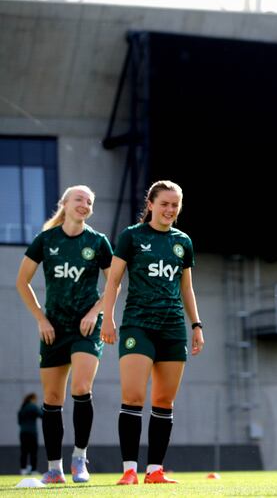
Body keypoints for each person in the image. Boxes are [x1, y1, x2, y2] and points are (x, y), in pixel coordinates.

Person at [100, 180, 204, 485]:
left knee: (164, 401)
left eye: (175, 205)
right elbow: (113, 282)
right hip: (138, 325)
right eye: (164, 204)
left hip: (173, 329)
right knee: (133, 396)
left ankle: (155, 470)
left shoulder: (182, 241)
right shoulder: (131, 237)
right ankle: (130, 470)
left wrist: (196, 325)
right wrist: (107, 318)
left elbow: (187, 287)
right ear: (151, 205)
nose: (170, 210)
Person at [16, 185, 113, 484]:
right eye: (79, 199)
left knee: (81, 388)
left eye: (90, 201)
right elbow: (22, 282)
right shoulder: (45, 240)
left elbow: (114, 285)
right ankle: (55, 468)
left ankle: (80, 459)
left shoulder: (98, 242)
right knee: (52, 398)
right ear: (65, 204)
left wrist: (94, 312)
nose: (85, 204)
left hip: (85, 327)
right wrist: (41, 319)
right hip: (53, 328)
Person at [18, 393, 43, 475]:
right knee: (33, 452)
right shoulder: (33, 407)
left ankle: (23, 469)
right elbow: (42, 415)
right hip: (32, 433)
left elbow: (19, 421)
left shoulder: (22, 408)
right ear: (32, 399)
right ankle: (33, 469)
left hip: (23, 433)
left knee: (24, 451)